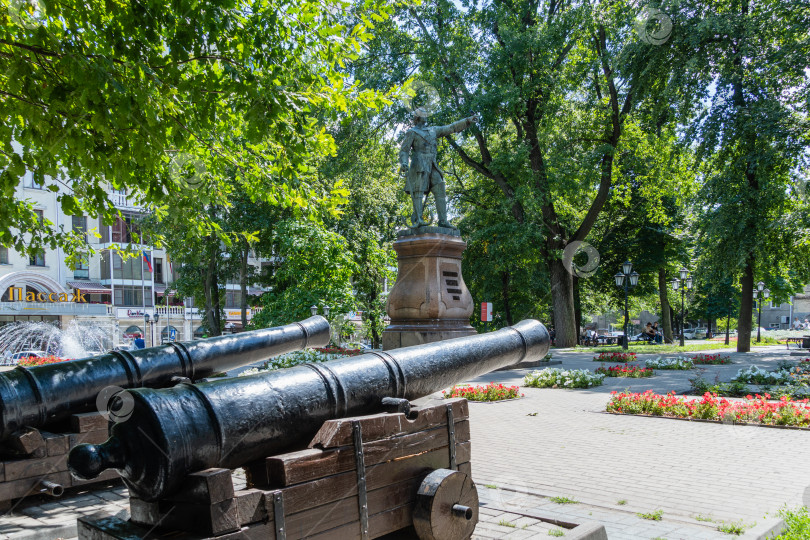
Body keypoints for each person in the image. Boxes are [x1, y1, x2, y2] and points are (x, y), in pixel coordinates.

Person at [399, 108, 479, 228]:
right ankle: (418, 220)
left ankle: (443, 221)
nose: (426, 115)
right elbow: (404, 150)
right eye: (423, 113)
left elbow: (451, 128)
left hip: (432, 164)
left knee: (439, 187)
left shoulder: (433, 130)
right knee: (418, 192)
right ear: (417, 117)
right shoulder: (412, 132)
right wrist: (404, 163)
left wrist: (467, 121)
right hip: (419, 164)